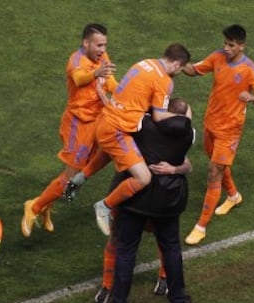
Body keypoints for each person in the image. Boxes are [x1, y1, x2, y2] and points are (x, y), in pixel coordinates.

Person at [66, 44, 191, 236]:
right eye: (181, 69)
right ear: (176, 64)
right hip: (117, 130)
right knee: (143, 178)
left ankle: (79, 178)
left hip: (106, 121)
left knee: (111, 152)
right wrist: (184, 120)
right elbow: (159, 116)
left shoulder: (144, 63)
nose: (179, 73)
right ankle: (104, 206)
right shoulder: (164, 80)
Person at [21, 23, 117, 237]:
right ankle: (34, 207)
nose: (102, 49)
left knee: (89, 170)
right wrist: (96, 74)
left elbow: (110, 81)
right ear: (86, 43)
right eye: (99, 45)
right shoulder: (76, 60)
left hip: (97, 121)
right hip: (78, 125)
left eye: (104, 45)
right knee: (70, 178)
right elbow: (79, 79)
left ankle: (45, 207)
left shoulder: (102, 58)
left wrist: (123, 93)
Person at [105, 98, 194, 303]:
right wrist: (173, 169)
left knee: (126, 251)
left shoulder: (141, 125)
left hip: (136, 198)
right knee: (171, 248)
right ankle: (178, 299)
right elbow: (185, 120)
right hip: (168, 201)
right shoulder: (189, 134)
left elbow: (129, 111)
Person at [183, 24, 254, 245]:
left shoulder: (251, 69)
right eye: (225, 43)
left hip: (230, 130)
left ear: (242, 45)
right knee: (215, 161)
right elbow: (195, 70)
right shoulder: (217, 57)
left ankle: (200, 226)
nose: (227, 48)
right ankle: (233, 196)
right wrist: (176, 63)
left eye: (231, 45)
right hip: (211, 123)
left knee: (214, 172)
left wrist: (252, 98)